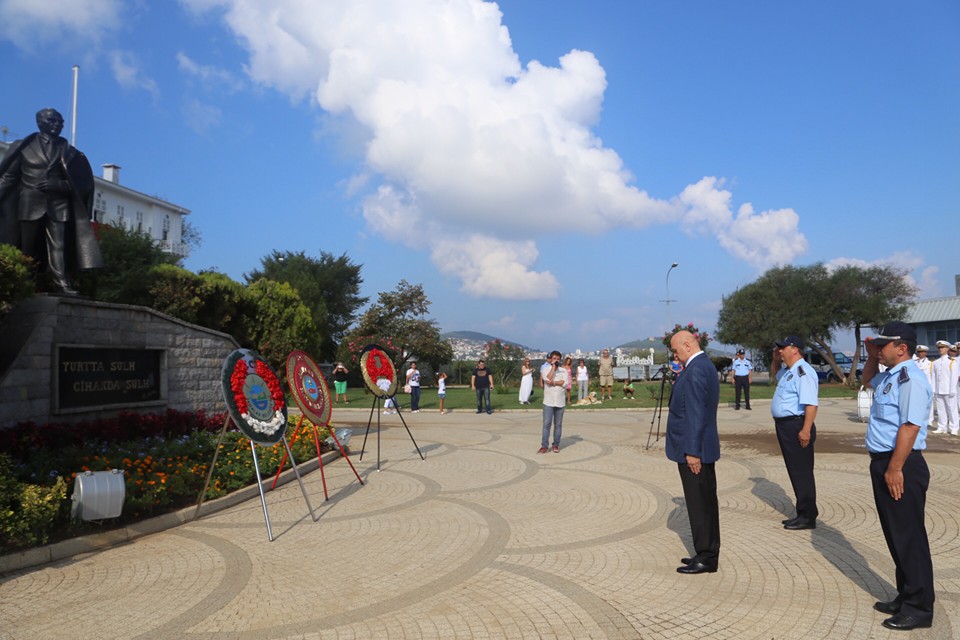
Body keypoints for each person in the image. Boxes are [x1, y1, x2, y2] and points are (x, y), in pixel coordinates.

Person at [861, 322, 935, 631]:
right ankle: (906, 594)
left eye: (883, 345)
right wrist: (870, 356)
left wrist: (894, 468)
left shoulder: (911, 379)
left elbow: (909, 426)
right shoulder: (890, 375)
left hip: (901, 465)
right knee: (896, 535)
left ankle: (918, 608)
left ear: (901, 348)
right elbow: (866, 382)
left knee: (909, 537)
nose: (879, 349)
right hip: (885, 463)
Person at [0, 108, 102, 294]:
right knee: (28, 249)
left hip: (58, 205)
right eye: (52, 120)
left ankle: (61, 283)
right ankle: (25, 282)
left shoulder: (71, 153)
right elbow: (9, 178)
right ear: (40, 122)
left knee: (58, 246)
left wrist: (60, 185)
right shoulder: (24, 147)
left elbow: (82, 184)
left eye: (60, 121)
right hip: (30, 205)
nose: (57, 124)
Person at [665, 330, 721, 575]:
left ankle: (707, 557)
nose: (675, 357)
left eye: (676, 351)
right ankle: (704, 552)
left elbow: (696, 412)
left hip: (695, 450)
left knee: (700, 505)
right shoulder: (701, 365)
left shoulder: (697, 369)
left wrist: (692, 452)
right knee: (703, 503)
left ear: (687, 345)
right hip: (698, 446)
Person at [769, 335, 820, 530]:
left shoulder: (803, 372)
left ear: (795, 349)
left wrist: (806, 430)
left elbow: (811, 404)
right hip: (786, 426)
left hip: (796, 426)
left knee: (802, 472)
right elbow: (774, 374)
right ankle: (803, 512)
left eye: (783, 348)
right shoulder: (788, 371)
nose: (780, 351)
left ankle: (807, 516)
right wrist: (775, 358)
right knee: (795, 470)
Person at [539, 350, 567, 453]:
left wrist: (554, 382)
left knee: (558, 425)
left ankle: (556, 445)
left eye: (558, 359)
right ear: (551, 359)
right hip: (548, 401)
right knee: (546, 424)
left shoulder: (563, 371)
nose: (556, 361)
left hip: (560, 401)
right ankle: (544, 446)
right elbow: (547, 379)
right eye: (554, 359)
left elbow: (564, 383)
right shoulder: (545, 369)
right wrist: (553, 368)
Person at [930, 340, 957, 435]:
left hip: (949, 389)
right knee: (941, 410)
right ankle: (942, 427)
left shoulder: (952, 362)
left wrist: (952, 389)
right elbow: (933, 377)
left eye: (942, 347)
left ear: (947, 349)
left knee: (951, 410)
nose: (940, 349)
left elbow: (954, 377)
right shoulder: (935, 363)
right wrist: (933, 389)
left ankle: (954, 427)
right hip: (938, 389)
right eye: (939, 347)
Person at [913, 345, 934, 427]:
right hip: (917, 386)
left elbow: (932, 376)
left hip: (926, 386)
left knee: (928, 404)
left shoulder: (930, 363)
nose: (920, 353)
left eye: (922, 352)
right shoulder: (914, 363)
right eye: (919, 352)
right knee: (917, 403)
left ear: (925, 353)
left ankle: (930, 419)